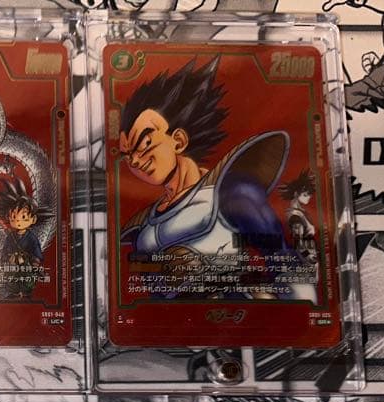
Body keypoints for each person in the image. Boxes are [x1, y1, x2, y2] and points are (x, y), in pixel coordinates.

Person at [118, 57, 290, 264]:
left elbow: (284, 261)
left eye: (145, 143)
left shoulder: (232, 192)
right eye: (128, 155)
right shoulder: (142, 224)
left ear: (179, 141)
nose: (135, 161)